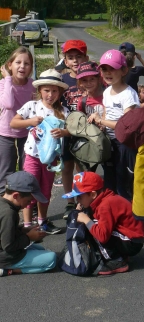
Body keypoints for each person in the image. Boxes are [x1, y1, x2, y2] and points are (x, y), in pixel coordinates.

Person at [10, 69, 70, 234]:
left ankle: (43, 221)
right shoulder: (32, 106)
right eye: (46, 90)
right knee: (28, 189)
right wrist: (31, 121)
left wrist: (63, 132)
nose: (50, 94)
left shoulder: (63, 112)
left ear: (60, 92)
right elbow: (14, 123)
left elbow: (71, 130)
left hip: (51, 159)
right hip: (32, 156)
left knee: (45, 190)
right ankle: (28, 224)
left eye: (54, 90)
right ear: (40, 91)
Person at [62, 172, 144, 275]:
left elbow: (102, 236)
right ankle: (119, 255)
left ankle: (117, 261)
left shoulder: (106, 205)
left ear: (93, 194)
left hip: (132, 242)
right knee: (92, 221)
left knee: (93, 225)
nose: (78, 201)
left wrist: (86, 220)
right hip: (128, 238)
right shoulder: (103, 199)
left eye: (80, 197)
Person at [88, 50, 139, 201]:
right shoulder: (107, 91)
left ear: (124, 70)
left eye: (113, 69)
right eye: (104, 69)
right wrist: (102, 124)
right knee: (110, 182)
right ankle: (113, 216)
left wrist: (100, 121)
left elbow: (126, 125)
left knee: (124, 183)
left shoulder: (129, 95)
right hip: (109, 142)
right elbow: (106, 112)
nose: (108, 73)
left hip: (124, 144)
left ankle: (129, 218)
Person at [0, 171, 56, 277]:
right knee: (51, 259)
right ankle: (8, 270)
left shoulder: (3, 204)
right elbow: (8, 246)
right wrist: (29, 237)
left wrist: (22, 229)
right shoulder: (9, 213)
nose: (29, 204)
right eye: (29, 200)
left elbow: (3, 230)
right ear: (16, 195)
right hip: (6, 257)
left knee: (41, 249)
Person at [60, 40, 89, 218]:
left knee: (82, 166)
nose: (75, 61)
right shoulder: (62, 80)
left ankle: (82, 198)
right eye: (71, 58)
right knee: (66, 165)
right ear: (65, 61)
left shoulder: (91, 77)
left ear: (86, 57)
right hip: (66, 130)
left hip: (85, 129)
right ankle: (70, 202)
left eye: (79, 57)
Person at [0, 46, 35, 195]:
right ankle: (5, 201)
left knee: (26, 168)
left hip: (26, 134)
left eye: (26, 63)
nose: (22, 66)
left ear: (31, 67)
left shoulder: (33, 85)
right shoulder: (3, 84)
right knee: (6, 169)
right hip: (5, 133)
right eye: (18, 62)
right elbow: (8, 104)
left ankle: (26, 200)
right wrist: (7, 79)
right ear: (10, 65)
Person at [75, 61, 104, 172]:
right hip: (91, 142)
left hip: (107, 141)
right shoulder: (82, 101)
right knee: (88, 174)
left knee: (112, 175)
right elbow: (80, 120)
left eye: (92, 79)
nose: (89, 83)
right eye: (84, 80)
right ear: (80, 83)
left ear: (98, 79)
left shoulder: (107, 97)